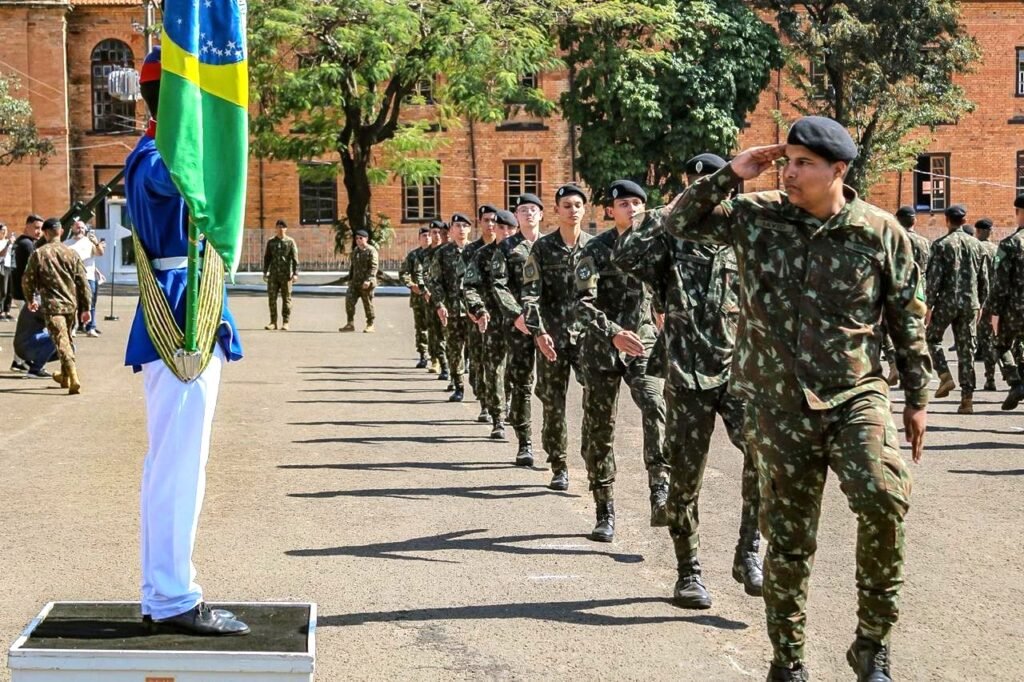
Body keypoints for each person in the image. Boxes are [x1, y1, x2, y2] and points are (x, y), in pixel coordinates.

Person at [662, 116, 930, 681]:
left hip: (855, 394)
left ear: (839, 169)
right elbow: (678, 223)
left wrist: (918, 396)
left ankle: (872, 644)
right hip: (776, 404)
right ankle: (787, 660)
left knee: (884, 498)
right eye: (786, 160)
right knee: (788, 538)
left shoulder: (879, 232)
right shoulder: (754, 217)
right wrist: (733, 173)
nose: (789, 172)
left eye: (804, 163)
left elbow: (907, 315)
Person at [124, 46, 248, 636]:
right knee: (176, 466)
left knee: (177, 464)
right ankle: (172, 596)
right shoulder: (154, 155)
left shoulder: (161, 149)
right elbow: (176, 177)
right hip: (177, 319)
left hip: (192, 308)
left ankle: (163, 588)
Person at [613, 158, 763, 606]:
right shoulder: (670, 238)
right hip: (685, 371)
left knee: (764, 458)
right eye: (701, 188)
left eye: (718, 187)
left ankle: (748, 549)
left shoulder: (744, 236)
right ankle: (689, 571)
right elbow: (625, 257)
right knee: (685, 477)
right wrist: (663, 213)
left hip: (740, 370)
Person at [572, 180, 671, 543]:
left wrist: (664, 323)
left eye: (637, 203)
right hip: (601, 347)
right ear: (610, 211)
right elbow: (581, 303)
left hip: (642, 343)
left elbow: (663, 293)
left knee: (655, 404)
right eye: (624, 204)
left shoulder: (653, 246)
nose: (631, 209)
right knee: (599, 429)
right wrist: (613, 332)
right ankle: (604, 508)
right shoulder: (596, 250)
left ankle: (660, 490)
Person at [522, 184, 593, 491]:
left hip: (588, 338)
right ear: (557, 210)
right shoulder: (542, 248)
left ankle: (593, 457)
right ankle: (559, 464)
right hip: (552, 337)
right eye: (566, 205)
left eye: (577, 204)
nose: (572, 209)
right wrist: (538, 331)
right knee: (553, 403)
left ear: (584, 209)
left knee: (597, 399)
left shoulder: (595, 246)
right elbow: (530, 293)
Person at [490, 194, 543, 465]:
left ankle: (553, 441)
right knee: (521, 382)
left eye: (533, 209)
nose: (529, 214)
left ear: (542, 215)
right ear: (517, 216)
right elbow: (498, 284)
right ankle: (525, 442)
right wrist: (515, 315)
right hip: (519, 326)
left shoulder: (550, 245)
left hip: (549, 325)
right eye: (523, 210)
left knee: (549, 386)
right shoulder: (506, 248)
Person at [926, 204, 987, 414]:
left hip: (946, 302)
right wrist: (981, 304)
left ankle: (944, 376)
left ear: (947, 220)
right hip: (970, 303)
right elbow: (984, 279)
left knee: (932, 338)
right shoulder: (977, 245)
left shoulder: (941, 245)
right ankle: (967, 399)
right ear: (964, 220)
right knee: (966, 349)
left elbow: (933, 279)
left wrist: (928, 305)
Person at [21, 217, 91, 393]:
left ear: (45, 233)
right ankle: (65, 377)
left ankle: (73, 376)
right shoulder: (72, 253)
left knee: (61, 340)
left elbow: (27, 280)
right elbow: (83, 282)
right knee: (66, 337)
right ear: (60, 232)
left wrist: (30, 299)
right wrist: (86, 307)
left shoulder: (39, 254)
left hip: (52, 306)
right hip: (70, 305)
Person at [465, 210, 516, 438]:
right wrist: (478, 308)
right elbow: (470, 285)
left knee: (517, 371)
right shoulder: (482, 254)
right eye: (501, 227)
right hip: (492, 320)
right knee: (494, 369)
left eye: (509, 228)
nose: (505, 232)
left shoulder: (523, 253)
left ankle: (510, 405)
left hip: (519, 322)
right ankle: (498, 418)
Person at [433, 213, 474, 402]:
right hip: (452, 310)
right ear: (451, 230)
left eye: (465, 225)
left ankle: (479, 387)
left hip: (473, 312)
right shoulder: (442, 253)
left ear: (470, 229)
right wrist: (440, 304)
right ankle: (458, 386)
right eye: (457, 226)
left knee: (477, 352)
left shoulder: (477, 251)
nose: (461, 229)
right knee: (454, 350)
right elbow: (435, 280)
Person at [988, 195, 1024, 410]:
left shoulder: (1010, 244)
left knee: (1001, 345)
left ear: (1018, 212)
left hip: (1015, 310)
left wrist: (994, 312)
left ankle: (1016, 382)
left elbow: (999, 283)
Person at [465, 206, 498, 420]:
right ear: (480, 222)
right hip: (477, 315)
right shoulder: (471, 251)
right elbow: (465, 283)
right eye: (486, 220)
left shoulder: (506, 247)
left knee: (497, 364)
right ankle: (483, 399)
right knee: (478, 362)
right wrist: (471, 309)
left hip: (502, 316)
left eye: (494, 220)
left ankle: (495, 404)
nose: (490, 224)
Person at [418, 220, 449, 377]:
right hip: (432, 299)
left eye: (440, 232)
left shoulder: (449, 250)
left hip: (450, 299)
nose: (437, 236)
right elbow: (422, 274)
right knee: (435, 331)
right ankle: (439, 362)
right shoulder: (425, 254)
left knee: (449, 333)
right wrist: (424, 290)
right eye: (434, 233)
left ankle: (451, 364)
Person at [64, 219, 106, 337]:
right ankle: (73, 327)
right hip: (72, 277)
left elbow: (100, 253)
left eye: (82, 227)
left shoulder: (90, 242)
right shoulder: (67, 243)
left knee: (90, 302)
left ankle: (90, 328)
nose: (80, 229)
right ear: (72, 228)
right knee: (73, 303)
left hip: (89, 276)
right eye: (78, 227)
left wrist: (97, 243)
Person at [974, 218, 1001, 390]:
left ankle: (990, 378)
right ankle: (1012, 374)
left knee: (985, 340)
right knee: (1002, 339)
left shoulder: (978, 249)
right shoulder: (999, 250)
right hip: (999, 300)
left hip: (982, 301)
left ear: (979, 231)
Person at [399, 227, 431, 367]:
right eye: (424, 235)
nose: (427, 238)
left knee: (437, 329)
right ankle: (423, 355)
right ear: (419, 238)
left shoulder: (438, 253)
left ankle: (438, 357)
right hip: (418, 299)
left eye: (429, 235)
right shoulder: (413, 256)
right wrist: (411, 285)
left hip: (434, 298)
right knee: (421, 328)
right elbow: (403, 273)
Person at [262, 219, 299, 331]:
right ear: (275, 229)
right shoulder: (271, 242)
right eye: (278, 227)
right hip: (273, 275)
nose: (280, 229)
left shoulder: (290, 242)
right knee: (272, 299)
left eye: (282, 227)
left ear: (286, 229)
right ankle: (273, 322)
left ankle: (286, 322)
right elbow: (267, 258)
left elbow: (295, 258)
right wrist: (265, 272)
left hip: (286, 275)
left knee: (286, 299)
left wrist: (295, 273)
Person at [340, 229, 378, 333]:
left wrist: (368, 280)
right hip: (355, 283)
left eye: (360, 238)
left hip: (366, 283)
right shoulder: (356, 251)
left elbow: (374, 267)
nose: (358, 240)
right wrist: (350, 279)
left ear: (366, 239)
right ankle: (350, 323)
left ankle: (370, 324)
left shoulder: (371, 250)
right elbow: (353, 267)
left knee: (367, 303)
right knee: (349, 300)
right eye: (357, 238)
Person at [13, 304, 59, 377]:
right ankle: (35, 370)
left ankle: (31, 363)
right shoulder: (38, 303)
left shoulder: (41, 301)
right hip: (25, 346)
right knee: (56, 338)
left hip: (29, 343)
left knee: (70, 348)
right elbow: (56, 322)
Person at [11, 214, 43, 304]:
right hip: (26, 294)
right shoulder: (28, 244)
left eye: (41, 229)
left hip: (17, 291)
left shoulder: (19, 241)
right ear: (27, 226)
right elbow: (33, 270)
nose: (39, 232)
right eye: (36, 228)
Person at [0, 222, 14, 320]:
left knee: (10, 291)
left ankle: (7, 311)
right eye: (2, 230)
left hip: (11, 266)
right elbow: (1, 254)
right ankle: (0, 311)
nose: (4, 232)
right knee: (3, 290)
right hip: (2, 266)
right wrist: (8, 244)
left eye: (6, 230)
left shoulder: (9, 241)